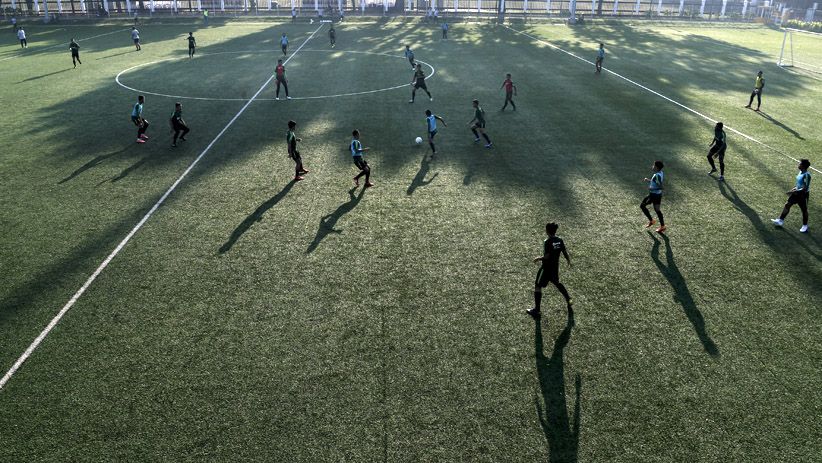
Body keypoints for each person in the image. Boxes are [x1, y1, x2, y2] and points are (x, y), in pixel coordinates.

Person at [526, 222, 574, 322]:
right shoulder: (560, 240)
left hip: (545, 269)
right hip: (554, 268)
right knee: (557, 283)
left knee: (537, 286)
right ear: (555, 231)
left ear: (547, 230)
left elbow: (547, 257)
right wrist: (568, 261)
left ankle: (537, 310)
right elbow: (564, 252)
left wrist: (539, 258)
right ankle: (569, 299)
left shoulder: (547, 241)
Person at [772, 159, 811, 233]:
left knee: (804, 210)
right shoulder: (800, 172)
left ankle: (805, 226)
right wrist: (794, 189)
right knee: (787, 204)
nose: (798, 164)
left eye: (799, 164)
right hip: (796, 192)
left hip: (803, 195)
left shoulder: (807, 175)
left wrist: (794, 191)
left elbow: (805, 188)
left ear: (803, 166)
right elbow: (799, 184)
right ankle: (780, 220)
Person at [640, 160, 666, 233]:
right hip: (658, 195)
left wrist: (652, 188)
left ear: (657, 167)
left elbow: (661, 187)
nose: (652, 166)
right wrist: (648, 180)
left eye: (653, 165)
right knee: (657, 210)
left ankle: (652, 221)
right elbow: (655, 181)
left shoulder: (657, 175)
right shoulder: (660, 173)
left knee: (642, 206)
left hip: (653, 195)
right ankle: (662, 226)